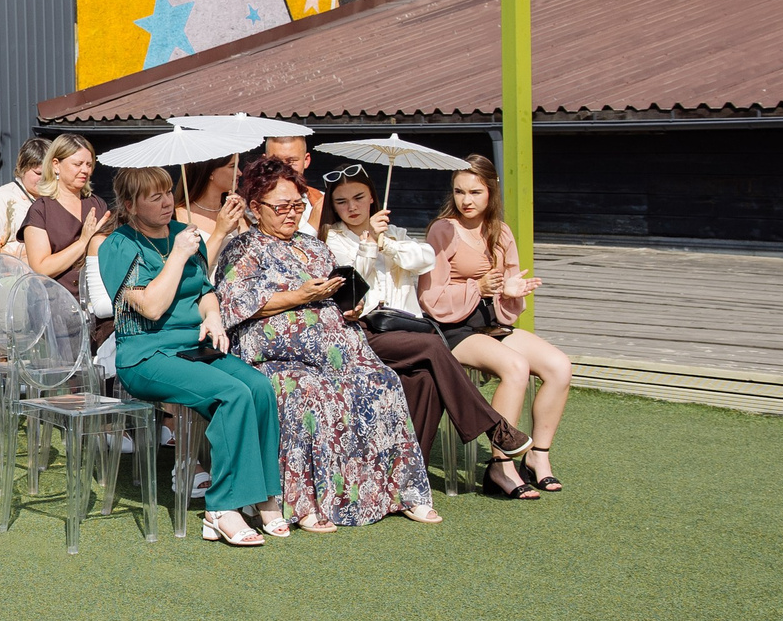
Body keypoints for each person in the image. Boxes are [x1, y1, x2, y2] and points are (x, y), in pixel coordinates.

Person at [213, 157, 438, 531]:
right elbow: (235, 303)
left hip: (339, 345)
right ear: (255, 208)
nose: (291, 214)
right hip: (277, 355)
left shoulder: (313, 246)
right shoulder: (243, 247)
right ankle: (305, 503)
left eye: (297, 206)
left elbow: (337, 291)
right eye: (281, 207)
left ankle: (398, 493)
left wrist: (352, 305)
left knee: (380, 382)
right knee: (309, 391)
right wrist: (298, 296)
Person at [96, 165, 284, 547]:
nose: (167, 202)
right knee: (230, 395)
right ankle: (221, 508)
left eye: (168, 193)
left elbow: (205, 291)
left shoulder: (184, 233)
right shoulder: (116, 245)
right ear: (130, 206)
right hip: (146, 356)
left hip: (191, 346)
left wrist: (213, 316)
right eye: (155, 197)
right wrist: (178, 256)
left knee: (259, 387)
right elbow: (149, 306)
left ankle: (262, 493)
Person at [323, 170, 537, 500]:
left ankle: (410, 477)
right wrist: (367, 247)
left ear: (373, 199)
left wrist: (384, 242)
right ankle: (494, 427)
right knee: (434, 346)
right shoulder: (333, 239)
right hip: (362, 331)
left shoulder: (394, 232)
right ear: (333, 208)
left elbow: (424, 259)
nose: (351, 207)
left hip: (406, 329)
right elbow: (353, 285)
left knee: (427, 378)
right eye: (341, 202)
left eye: (358, 198)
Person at [421, 156, 574, 492]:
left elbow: (507, 299)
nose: (466, 200)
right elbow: (429, 298)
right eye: (459, 191)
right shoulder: (443, 230)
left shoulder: (500, 231)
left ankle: (538, 456)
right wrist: (478, 287)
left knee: (560, 366)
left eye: (475, 192)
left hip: (492, 323)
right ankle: (500, 465)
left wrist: (510, 291)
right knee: (515, 366)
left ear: (491, 191)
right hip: (452, 328)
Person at [19, 135, 115, 347]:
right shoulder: (41, 210)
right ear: (56, 165)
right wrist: (83, 242)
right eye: (77, 164)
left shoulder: (97, 204)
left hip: (101, 310)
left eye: (89, 164)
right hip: (59, 313)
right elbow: (41, 267)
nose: (85, 170)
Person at [0, 137, 54, 250]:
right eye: (38, 173)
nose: (44, 179)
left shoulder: (59, 197)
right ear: (22, 168)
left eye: (50, 173)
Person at [261, 133, 326, 236]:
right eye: (276, 162)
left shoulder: (322, 199)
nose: (284, 169)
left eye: (291, 162)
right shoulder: (255, 207)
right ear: (264, 162)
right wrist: (312, 226)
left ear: (306, 160)